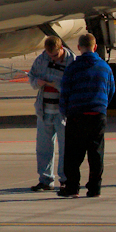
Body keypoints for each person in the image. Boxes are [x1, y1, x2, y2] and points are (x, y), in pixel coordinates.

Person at [58, 33, 114, 198]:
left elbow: (65, 92)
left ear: (79, 48)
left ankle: (72, 187)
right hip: (97, 114)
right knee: (96, 153)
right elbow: (110, 91)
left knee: (73, 155)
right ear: (95, 47)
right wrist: (101, 106)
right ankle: (95, 188)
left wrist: (65, 111)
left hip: (77, 115)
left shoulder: (72, 68)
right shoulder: (105, 67)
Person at [27, 36, 74, 191]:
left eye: (54, 55)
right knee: (43, 147)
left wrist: (58, 85)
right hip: (44, 109)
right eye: (49, 55)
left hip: (62, 111)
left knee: (66, 147)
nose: (52, 58)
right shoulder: (42, 59)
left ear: (61, 49)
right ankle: (45, 179)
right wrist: (37, 83)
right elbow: (32, 76)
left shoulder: (71, 61)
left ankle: (66, 179)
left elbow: (75, 84)